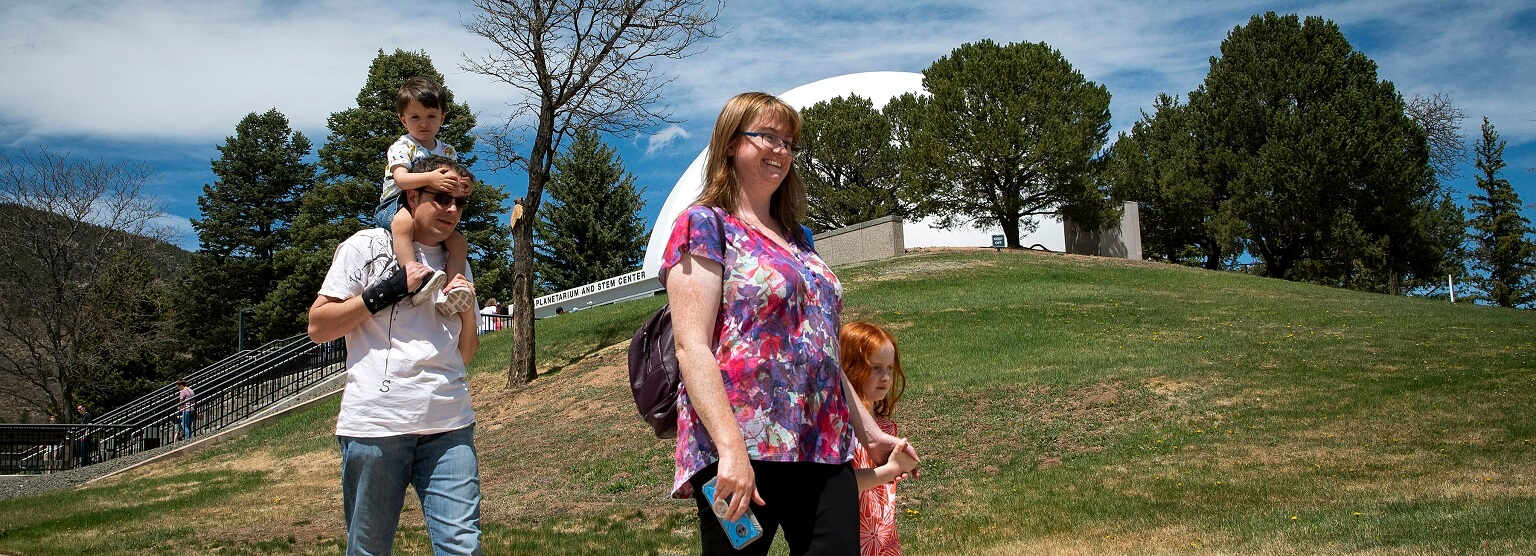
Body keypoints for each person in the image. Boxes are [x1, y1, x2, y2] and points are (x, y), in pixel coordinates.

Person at [662, 91, 919, 556]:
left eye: (789, 142)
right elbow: (691, 348)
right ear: (730, 146)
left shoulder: (799, 237)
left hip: (822, 445)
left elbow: (821, 353)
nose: (780, 150)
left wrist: (871, 434)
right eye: (767, 136)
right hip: (745, 449)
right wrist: (730, 449)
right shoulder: (704, 225)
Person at [309, 155, 483, 555]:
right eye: (441, 197)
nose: (452, 210)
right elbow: (319, 327)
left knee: (463, 546)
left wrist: (467, 312)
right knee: (369, 547)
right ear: (411, 194)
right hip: (376, 428)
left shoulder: (459, 263)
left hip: (450, 425)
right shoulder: (366, 245)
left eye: (459, 202)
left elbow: (467, 354)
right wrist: (385, 292)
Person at [377, 77, 474, 317]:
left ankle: (453, 289)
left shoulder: (448, 150)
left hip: (431, 205)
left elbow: (455, 178)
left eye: (431, 116)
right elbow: (400, 179)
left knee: (458, 243)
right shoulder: (402, 146)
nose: (423, 124)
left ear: (442, 118)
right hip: (397, 202)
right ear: (403, 119)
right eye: (415, 117)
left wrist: (466, 184)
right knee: (403, 224)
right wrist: (430, 178)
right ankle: (413, 276)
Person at [842, 321, 912, 556]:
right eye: (875, 368)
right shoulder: (843, 428)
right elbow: (842, 485)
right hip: (851, 539)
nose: (885, 377)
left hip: (884, 538)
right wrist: (893, 469)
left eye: (889, 368)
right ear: (849, 368)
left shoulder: (886, 427)